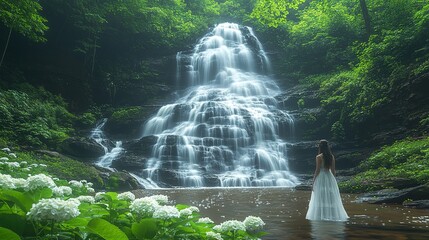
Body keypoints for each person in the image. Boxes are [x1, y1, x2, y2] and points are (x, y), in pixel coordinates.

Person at [306, 139, 349, 221]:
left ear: (320, 147)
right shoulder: (331, 156)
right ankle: (331, 214)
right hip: (329, 176)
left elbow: (317, 170)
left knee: (320, 194)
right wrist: (333, 181)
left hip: (321, 177)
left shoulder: (319, 157)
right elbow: (333, 170)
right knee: (330, 194)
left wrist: (313, 181)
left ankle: (321, 214)